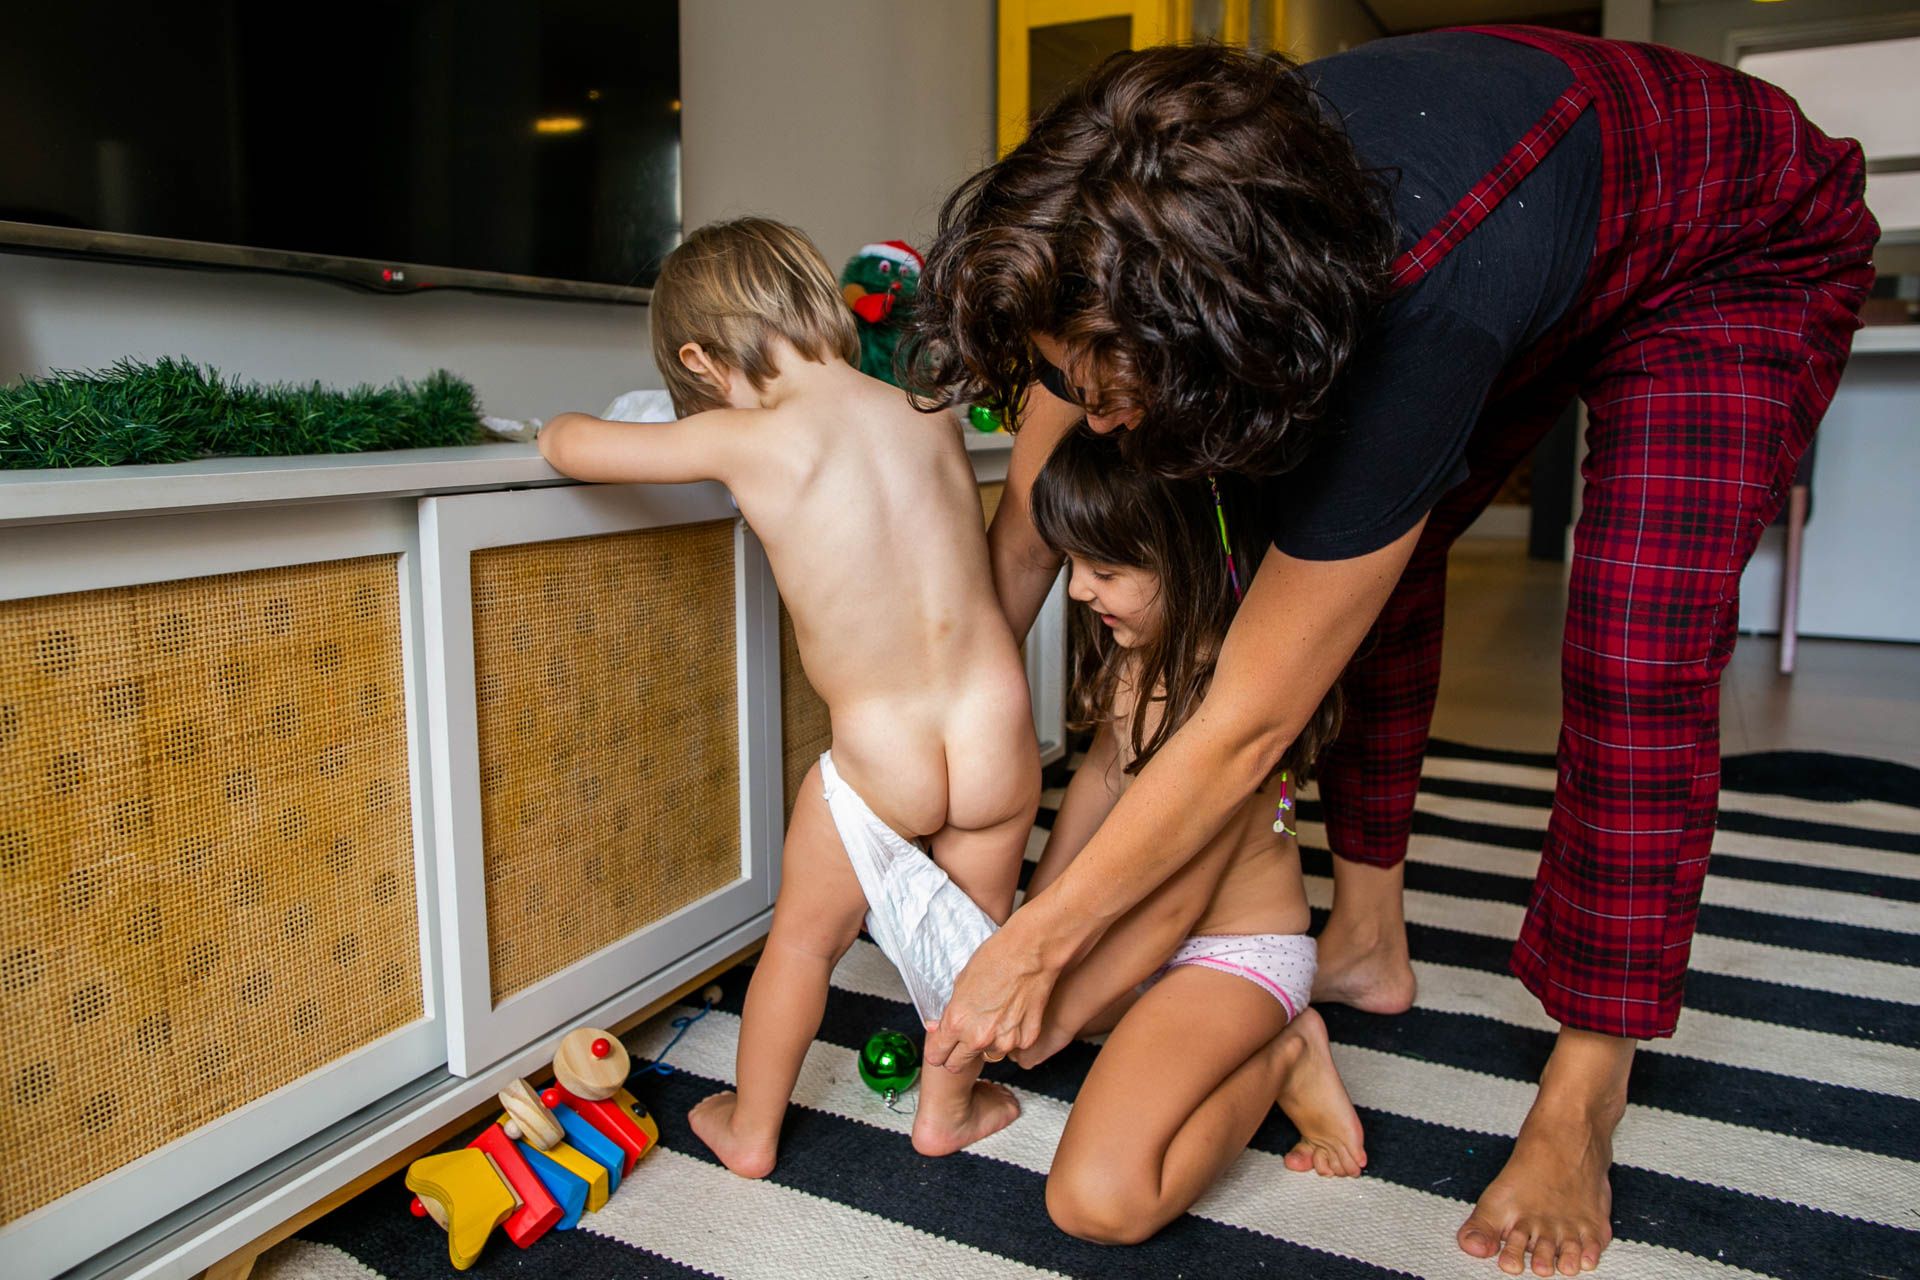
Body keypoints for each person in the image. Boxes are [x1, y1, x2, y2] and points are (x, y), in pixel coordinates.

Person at [904, 29, 1878, 1276]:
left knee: (1635, 643)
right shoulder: (1126, 230)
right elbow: (1041, 496)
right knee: (1368, 556)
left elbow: (1256, 718)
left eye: (1108, 382)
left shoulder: (1423, 302)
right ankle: (1363, 936)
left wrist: (1036, 945)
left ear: (1211, 317)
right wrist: (958, 715)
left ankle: (1586, 1090)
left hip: (1731, 241)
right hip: (1530, 234)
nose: (1094, 413)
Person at [537, 216, 1040, 1174]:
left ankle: (752, 1128)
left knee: (804, 947)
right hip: (994, 729)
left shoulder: (747, 439)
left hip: (879, 756)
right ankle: (948, 1111)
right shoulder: (921, 412)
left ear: (698, 358)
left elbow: (573, 446)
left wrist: (562, 425)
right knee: (970, 949)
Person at [1015, 428, 1363, 1245]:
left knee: (1097, 1201)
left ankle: (1285, 1053)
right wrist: (1036, 922)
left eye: (1105, 570)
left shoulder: (1227, 711)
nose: (1076, 591)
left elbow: (1170, 916)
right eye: (1071, 565)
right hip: (1149, 939)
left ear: (1193, 560)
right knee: (1035, 1006)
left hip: (1230, 957)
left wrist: (1057, 1011)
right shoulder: (1141, 649)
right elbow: (1103, 775)